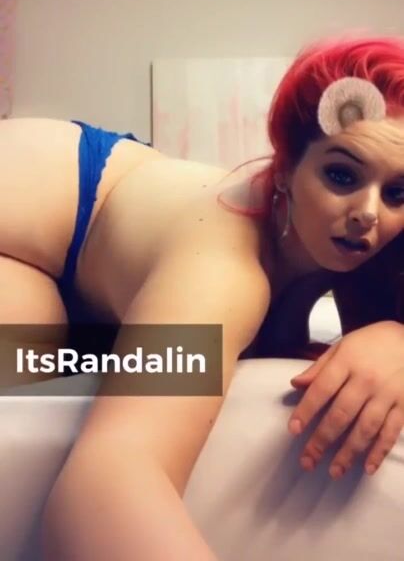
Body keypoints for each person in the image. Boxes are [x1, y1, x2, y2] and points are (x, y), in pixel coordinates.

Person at [1, 34, 403, 560]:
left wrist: (395, 337)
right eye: (341, 175)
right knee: (30, 355)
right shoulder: (223, 274)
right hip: (25, 206)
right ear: (286, 167)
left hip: (102, 221)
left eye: (397, 192)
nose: (369, 213)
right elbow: (103, 484)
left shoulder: (362, 245)